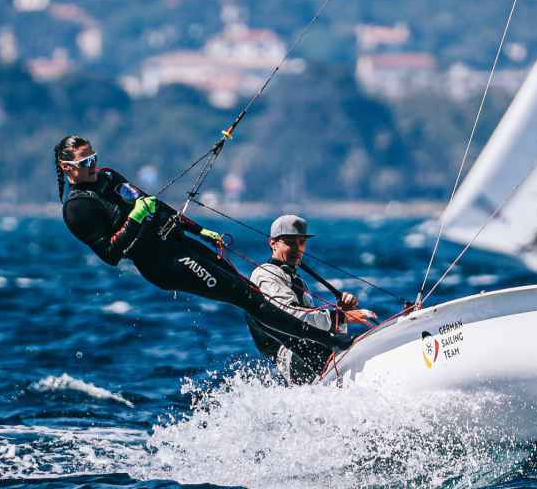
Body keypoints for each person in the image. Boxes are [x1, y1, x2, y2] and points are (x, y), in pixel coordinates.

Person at [54, 134, 353, 356]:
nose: (94, 165)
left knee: (251, 293)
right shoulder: (77, 209)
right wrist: (135, 219)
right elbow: (110, 254)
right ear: (67, 167)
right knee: (247, 297)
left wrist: (201, 231)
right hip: (164, 264)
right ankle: (326, 343)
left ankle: (306, 350)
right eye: (85, 162)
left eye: (94, 157)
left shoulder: (107, 176)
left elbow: (154, 206)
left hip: (180, 242)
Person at [248, 214, 376, 383]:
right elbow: (291, 316)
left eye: (301, 242)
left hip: (312, 348)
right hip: (292, 356)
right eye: (290, 242)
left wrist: (341, 314)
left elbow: (317, 326)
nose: (297, 249)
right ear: (273, 243)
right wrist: (341, 317)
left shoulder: (298, 281)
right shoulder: (265, 275)